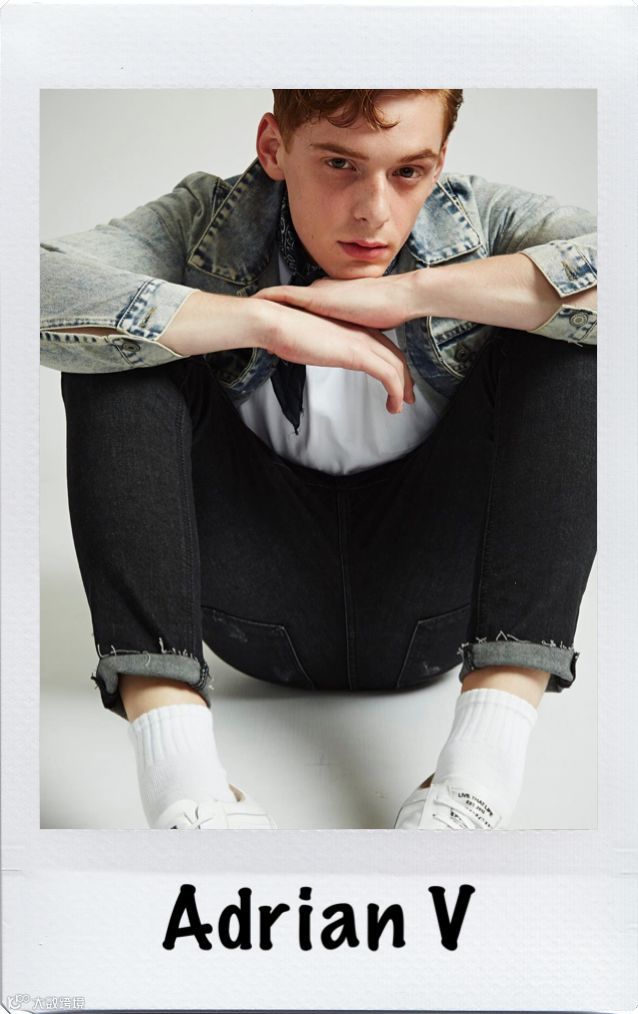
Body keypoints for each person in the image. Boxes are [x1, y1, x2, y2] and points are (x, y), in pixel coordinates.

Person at [40, 89, 597, 831]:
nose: (373, 211)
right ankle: (186, 791)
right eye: (340, 165)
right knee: (120, 344)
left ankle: (475, 782)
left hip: (438, 607)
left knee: (576, 334)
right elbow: (36, 285)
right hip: (250, 607)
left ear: (439, 162)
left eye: (408, 172)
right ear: (274, 147)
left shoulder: (484, 222)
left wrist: (415, 292)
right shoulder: (203, 222)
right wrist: (261, 323)